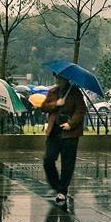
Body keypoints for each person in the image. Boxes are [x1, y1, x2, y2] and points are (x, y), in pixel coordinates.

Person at [40, 73, 87, 206]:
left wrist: (70, 123)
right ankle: (56, 185)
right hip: (54, 133)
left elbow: (81, 111)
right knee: (48, 160)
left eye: (60, 78)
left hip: (69, 134)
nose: (57, 81)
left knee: (67, 164)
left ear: (66, 79)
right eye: (56, 78)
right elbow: (43, 107)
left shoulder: (75, 93)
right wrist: (56, 103)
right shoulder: (53, 92)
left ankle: (62, 190)